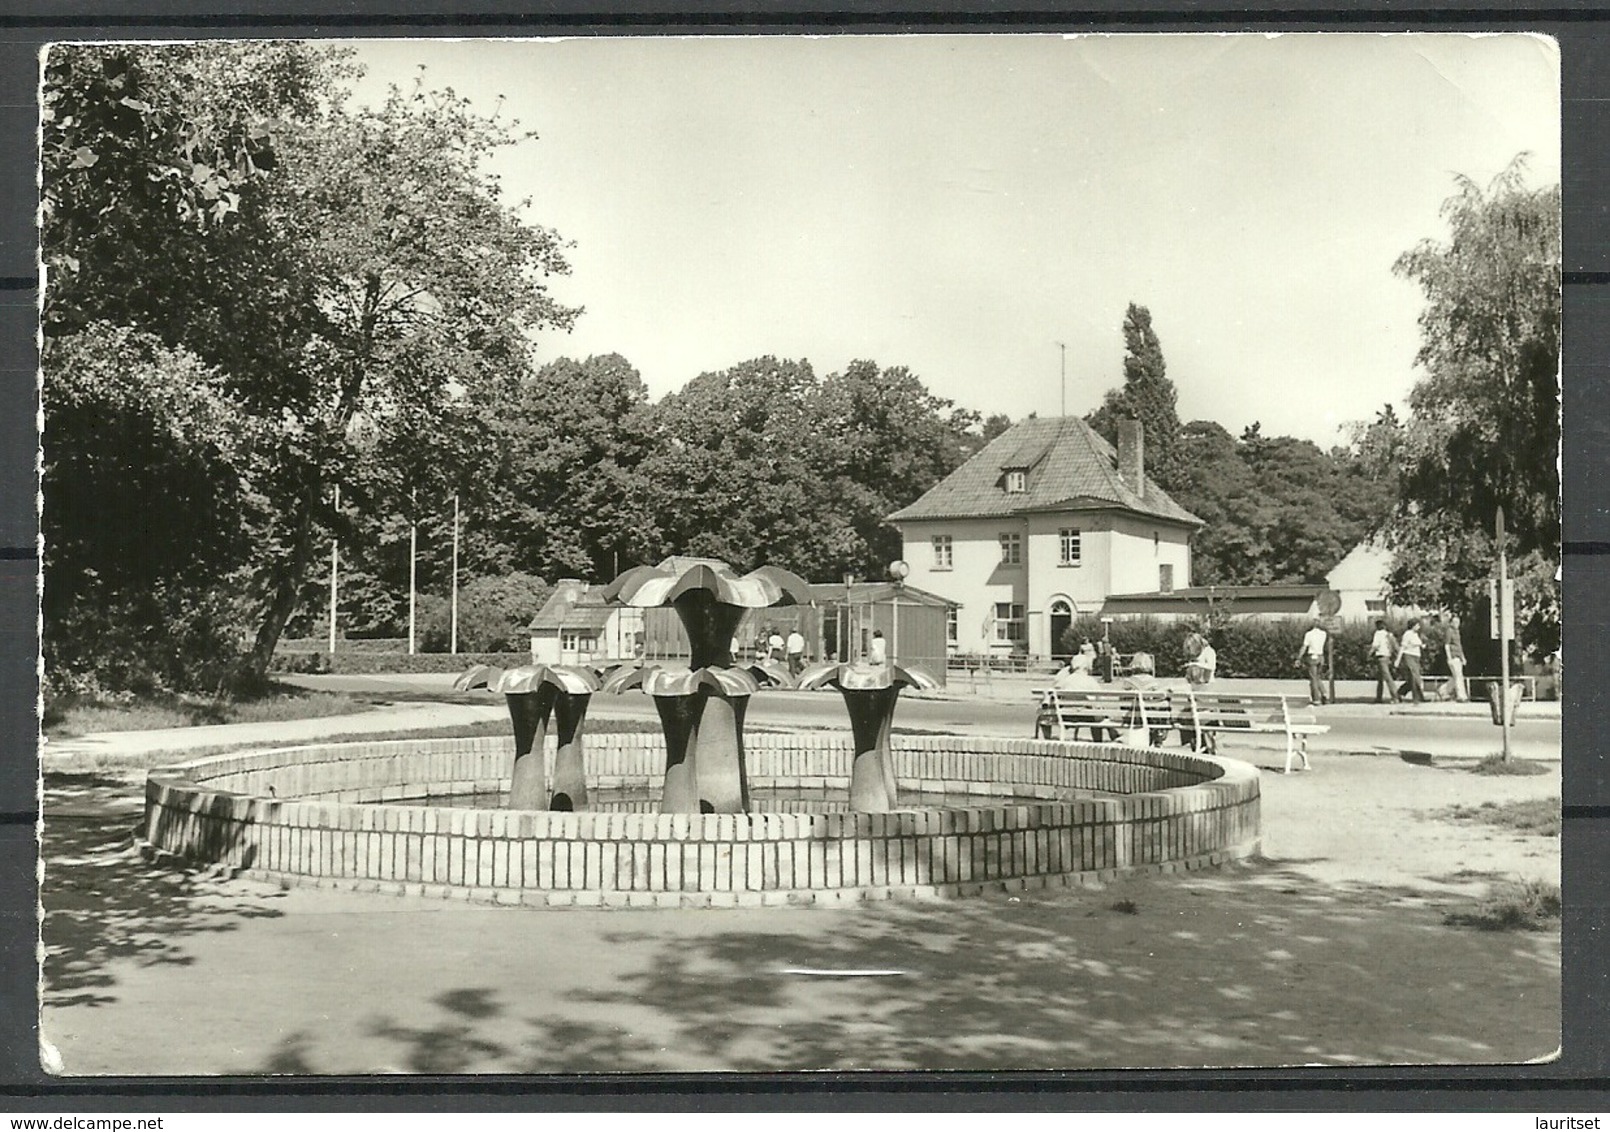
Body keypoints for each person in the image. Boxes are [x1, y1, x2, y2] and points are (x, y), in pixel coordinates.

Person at [1294, 619, 1329, 706]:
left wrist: (1298, 658)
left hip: (1312, 656)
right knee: (1318, 677)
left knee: (1313, 678)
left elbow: (1304, 647)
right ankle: (1324, 693)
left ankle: (1316, 699)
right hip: (1321, 656)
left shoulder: (1309, 634)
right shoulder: (1323, 634)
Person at [1369, 619, 1400, 704]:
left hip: (1381, 656)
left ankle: (1395, 696)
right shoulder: (1389, 634)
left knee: (1387, 677)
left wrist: (1369, 653)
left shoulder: (1378, 634)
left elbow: (1375, 645)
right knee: (1380, 678)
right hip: (1388, 656)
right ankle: (1378, 697)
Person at [1398, 617, 1428, 704]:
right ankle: (1416, 698)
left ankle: (1400, 693)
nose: (1419, 626)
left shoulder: (1416, 635)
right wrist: (1398, 659)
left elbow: (1418, 644)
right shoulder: (1407, 634)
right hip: (1409, 656)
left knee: (1414, 678)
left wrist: (1422, 646)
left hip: (1416, 657)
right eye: (1417, 625)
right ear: (1413, 625)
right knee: (1414, 677)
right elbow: (1403, 647)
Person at [1444, 614, 1469, 702]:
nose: (1456, 624)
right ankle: (1461, 696)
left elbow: (1459, 646)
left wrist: (1463, 657)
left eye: (1458, 622)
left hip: (1458, 656)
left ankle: (1443, 692)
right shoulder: (1449, 631)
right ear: (1451, 622)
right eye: (1454, 622)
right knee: (1458, 676)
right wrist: (1449, 657)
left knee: (1456, 676)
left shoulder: (1457, 632)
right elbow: (1447, 645)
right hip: (1453, 656)